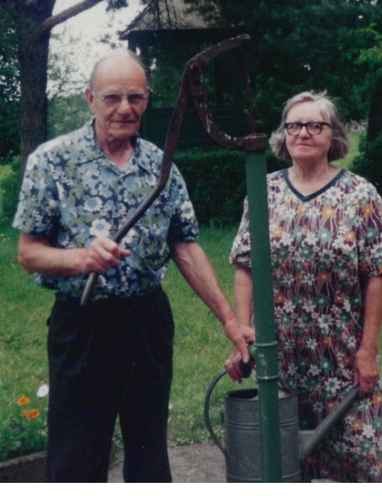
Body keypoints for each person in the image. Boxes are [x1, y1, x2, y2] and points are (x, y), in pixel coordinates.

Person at [13, 50, 254, 483]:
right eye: (112, 97)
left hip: (146, 321)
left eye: (135, 97)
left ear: (146, 100)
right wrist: (82, 259)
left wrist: (231, 321)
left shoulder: (159, 166)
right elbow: (29, 252)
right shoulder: (53, 161)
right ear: (90, 98)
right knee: (77, 454)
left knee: (148, 450)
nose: (125, 108)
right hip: (82, 324)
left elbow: (185, 246)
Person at [225, 91, 382, 482]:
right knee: (283, 467)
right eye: (294, 125)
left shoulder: (360, 195)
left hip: (343, 361)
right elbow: (245, 266)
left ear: (332, 135)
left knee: (361, 463)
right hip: (281, 362)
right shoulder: (263, 191)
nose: (303, 133)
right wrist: (243, 335)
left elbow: (376, 273)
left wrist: (368, 351)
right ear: (283, 135)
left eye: (314, 125)